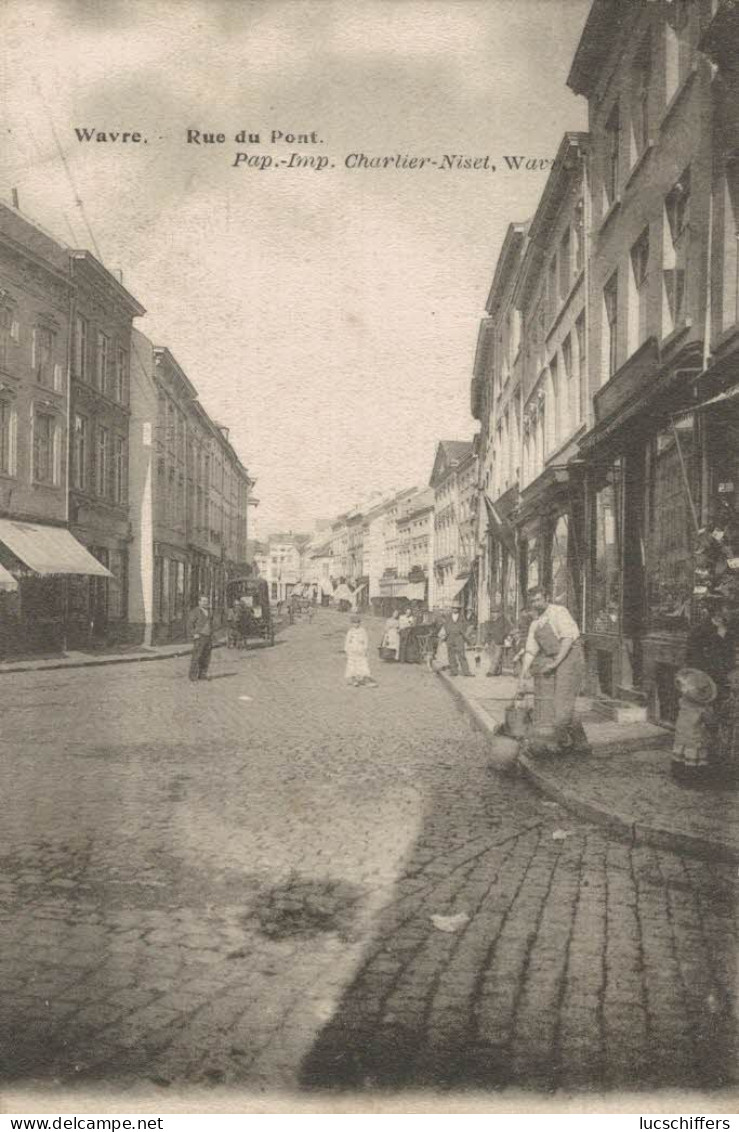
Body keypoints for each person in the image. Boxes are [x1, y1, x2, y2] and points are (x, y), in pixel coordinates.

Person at [518, 587, 589, 752]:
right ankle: (579, 743)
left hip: (570, 657)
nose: (536, 604)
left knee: (561, 703)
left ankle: (560, 742)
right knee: (554, 703)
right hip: (555, 659)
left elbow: (567, 639)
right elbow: (530, 650)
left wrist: (555, 662)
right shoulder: (536, 623)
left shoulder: (559, 612)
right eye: (533, 601)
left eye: (538, 599)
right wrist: (523, 675)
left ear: (547, 597)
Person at [671, 668, 718, 786]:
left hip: (682, 734)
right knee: (694, 757)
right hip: (695, 737)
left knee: (681, 754)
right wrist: (714, 727)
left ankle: (678, 774)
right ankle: (692, 779)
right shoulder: (703, 709)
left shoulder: (683, 702)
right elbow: (711, 722)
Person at [344, 612, 377, 687]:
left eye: (357, 623)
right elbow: (347, 641)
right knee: (352, 665)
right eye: (354, 623)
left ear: (360, 623)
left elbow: (366, 640)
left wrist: (365, 649)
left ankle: (364, 679)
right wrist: (347, 650)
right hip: (352, 650)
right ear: (352, 623)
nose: (356, 624)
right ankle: (353, 680)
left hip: (360, 650)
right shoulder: (350, 631)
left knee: (362, 664)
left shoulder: (362, 631)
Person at [443, 602, 474, 677]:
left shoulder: (462, 617)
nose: (455, 609)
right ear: (452, 609)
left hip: (459, 637)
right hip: (450, 637)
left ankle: (466, 671)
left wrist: (464, 634)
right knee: (451, 655)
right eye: (453, 608)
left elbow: (466, 626)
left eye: (457, 608)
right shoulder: (448, 617)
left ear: (459, 609)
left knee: (461, 654)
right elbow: (445, 625)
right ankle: (454, 671)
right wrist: (447, 634)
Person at [188, 594, 213, 681]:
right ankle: (193, 675)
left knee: (206, 656)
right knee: (197, 656)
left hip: (208, 636)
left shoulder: (209, 611)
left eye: (206, 601)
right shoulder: (195, 611)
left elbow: (210, 624)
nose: (205, 603)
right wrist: (194, 633)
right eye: (203, 601)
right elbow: (190, 624)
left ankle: (202, 674)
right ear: (199, 602)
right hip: (200, 636)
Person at [485, 605, 512, 677]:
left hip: (500, 640)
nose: (494, 614)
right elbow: (488, 632)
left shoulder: (503, 620)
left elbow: (508, 628)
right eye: (492, 612)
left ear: (499, 613)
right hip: (492, 641)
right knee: (494, 656)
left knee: (496, 656)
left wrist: (506, 635)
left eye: (495, 612)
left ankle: (491, 671)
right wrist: (487, 642)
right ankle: (498, 671)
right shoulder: (490, 622)